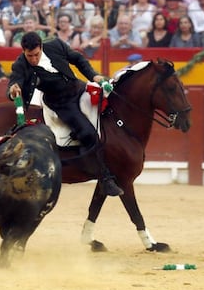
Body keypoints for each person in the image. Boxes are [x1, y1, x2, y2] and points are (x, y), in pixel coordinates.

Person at [7, 31, 124, 196]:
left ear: (41, 47)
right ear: (23, 51)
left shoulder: (55, 44)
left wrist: (93, 75)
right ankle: (105, 179)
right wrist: (13, 90)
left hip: (79, 88)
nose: (33, 59)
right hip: (61, 103)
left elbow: (77, 59)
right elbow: (14, 82)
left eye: (36, 55)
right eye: (29, 56)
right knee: (87, 133)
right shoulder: (20, 64)